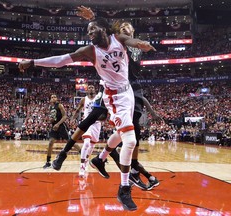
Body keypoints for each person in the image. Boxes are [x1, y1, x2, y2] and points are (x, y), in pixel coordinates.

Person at [18, 17, 155, 211]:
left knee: (122, 132)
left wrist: (141, 44)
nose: (89, 34)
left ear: (103, 29)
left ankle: (100, 158)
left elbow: (133, 42)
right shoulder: (90, 51)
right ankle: (124, 189)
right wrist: (33, 61)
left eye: (92, 30)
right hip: (114, 97)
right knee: (130, 141)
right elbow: (61, 61)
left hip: (128, 92)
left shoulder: (118, 38)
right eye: (88, 31)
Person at [77, 6, 161, 190]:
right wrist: (95, 18)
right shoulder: (118, 42)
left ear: (132, 32)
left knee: (130, 136)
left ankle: (107, 159)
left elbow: (130, 40)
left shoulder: (133, 46)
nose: (123, 30)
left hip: (131, 91)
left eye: (127, 28)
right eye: (121, 29)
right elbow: (107, 32)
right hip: (117, 91)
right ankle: (130, 173)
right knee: (129, 136)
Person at [72, 84, 103, 177]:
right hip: (87, 123)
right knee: (86, 143)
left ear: (95, 89)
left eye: (92, 87)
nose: (91, 88)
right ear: (87, 90)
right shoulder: (84, 100)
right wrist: (73, 118)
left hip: (97, 124)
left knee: (92, 146)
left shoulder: (99, 98)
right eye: (89, 87)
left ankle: (86, 161)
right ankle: (82, 166)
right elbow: (78, 110)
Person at [42, 94, 79, 169]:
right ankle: (48, 162)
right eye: (52, 97)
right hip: (54, 126)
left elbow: (65, 116)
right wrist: (51, 120)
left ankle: (82, 153)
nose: (53, 98)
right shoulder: (50, 107)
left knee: (70, 142)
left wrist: (58, 124)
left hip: (61, 126)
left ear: (57, 98)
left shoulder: (60, 105)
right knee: (50, 143)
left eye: (54, 97)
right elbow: (53, 118)